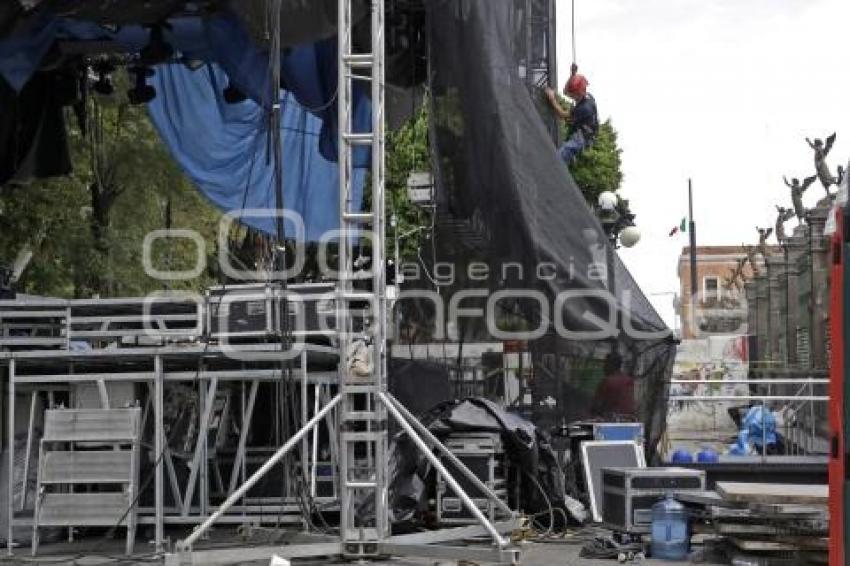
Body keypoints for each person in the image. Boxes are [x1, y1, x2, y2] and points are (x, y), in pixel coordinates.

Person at [545, 63, 599, 164]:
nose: (570, 96)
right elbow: (566, 91)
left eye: (573, 95)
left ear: (579, 93)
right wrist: (572, 75)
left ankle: (568, 156)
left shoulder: (585, 108)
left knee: (559, 157)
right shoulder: (585, 95)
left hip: (584, 137)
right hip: (581, 127)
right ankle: (571, 155)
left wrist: (552, 99)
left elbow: (562, 114)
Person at [591, 353, 636, 418]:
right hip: (628, 420)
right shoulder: (629, 380)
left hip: (611, 420)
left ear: (612, 365)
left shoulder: (607, 381)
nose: (604, 367)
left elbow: (596, 405)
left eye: (606, 364)